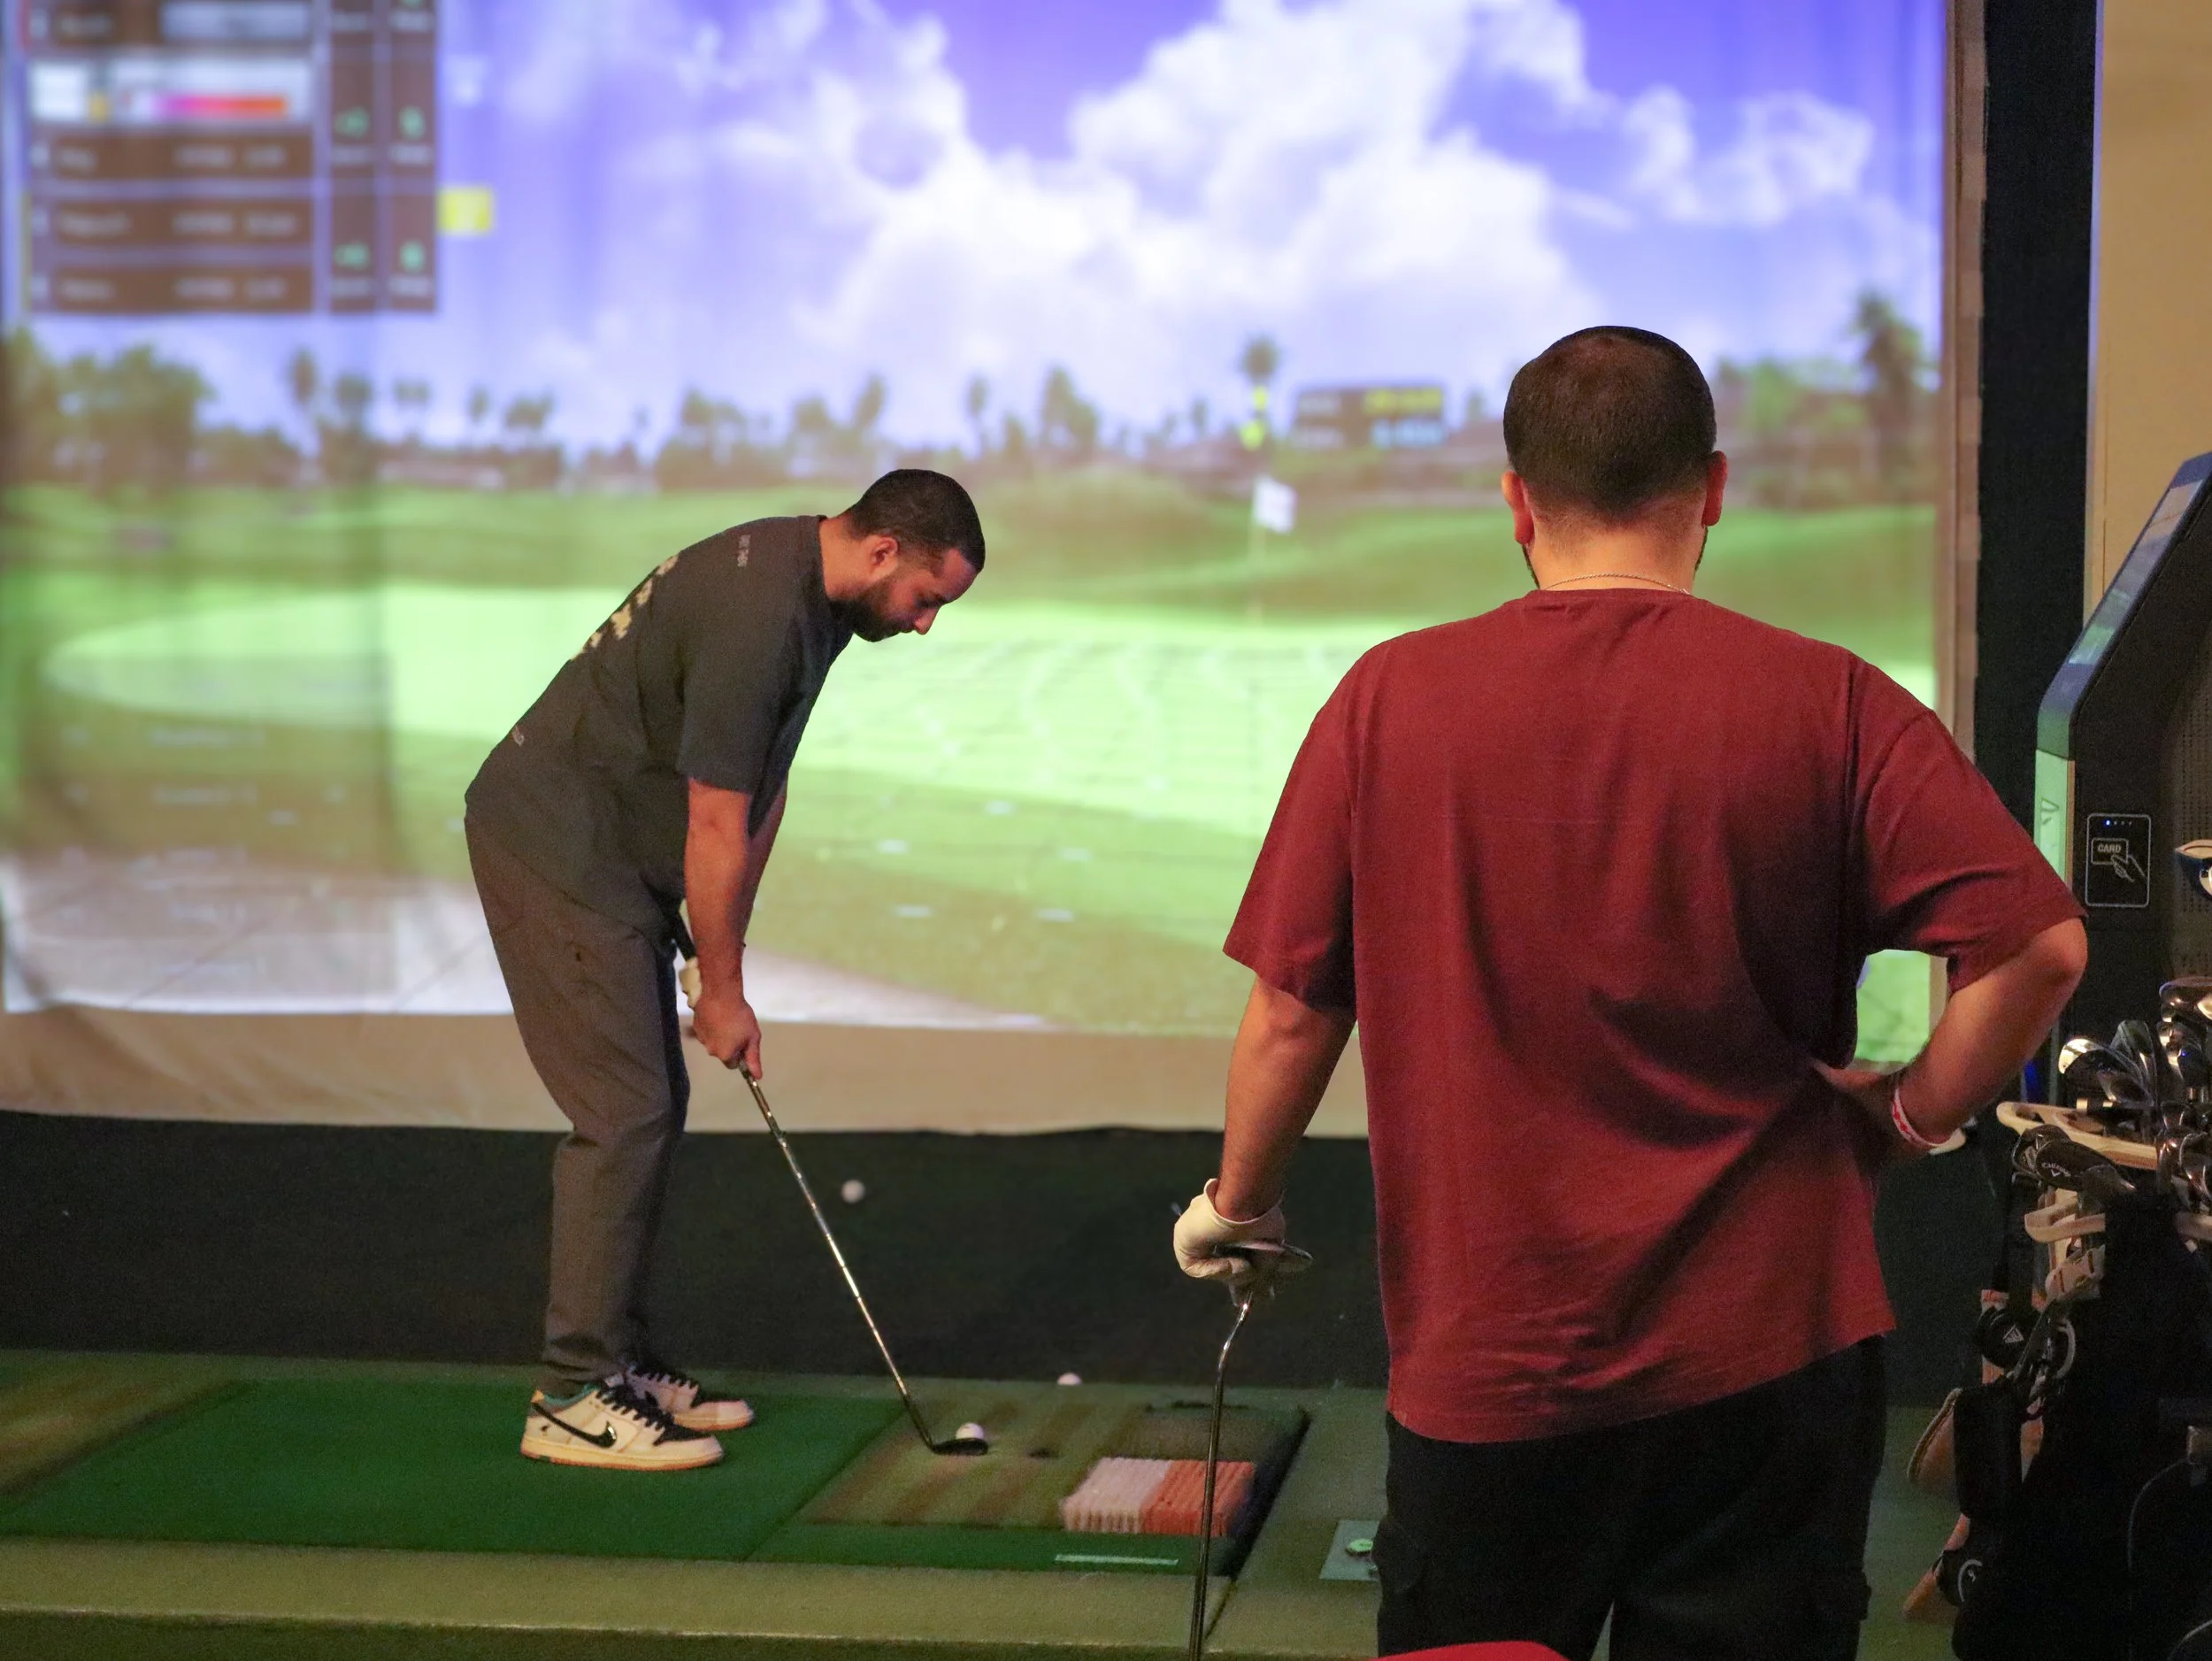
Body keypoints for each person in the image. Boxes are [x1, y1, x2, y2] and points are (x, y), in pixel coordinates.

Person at [1172, 327, 2086, 1659]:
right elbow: (2040, 950)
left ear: (1514, 498)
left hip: (1497, 1372)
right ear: (1712, 488)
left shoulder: (1385, 699)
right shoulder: (1832, 698)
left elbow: (1295, 1013)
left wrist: (1237, 1206)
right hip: (1773, 1359)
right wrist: (1907, 1117)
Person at [466, 468, 984, 1471]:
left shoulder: (817, 599)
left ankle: (616, 1360)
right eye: (927, 599)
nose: (925, 625)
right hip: (558, 847)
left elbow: (761, 793)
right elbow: (714, 817)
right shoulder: (761, 615)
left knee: (647, 1106)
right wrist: (727, 989)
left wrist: (717, 959)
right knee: (625, 1112)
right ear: (882, 551)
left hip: (613, 851)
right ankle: (571, 1393)